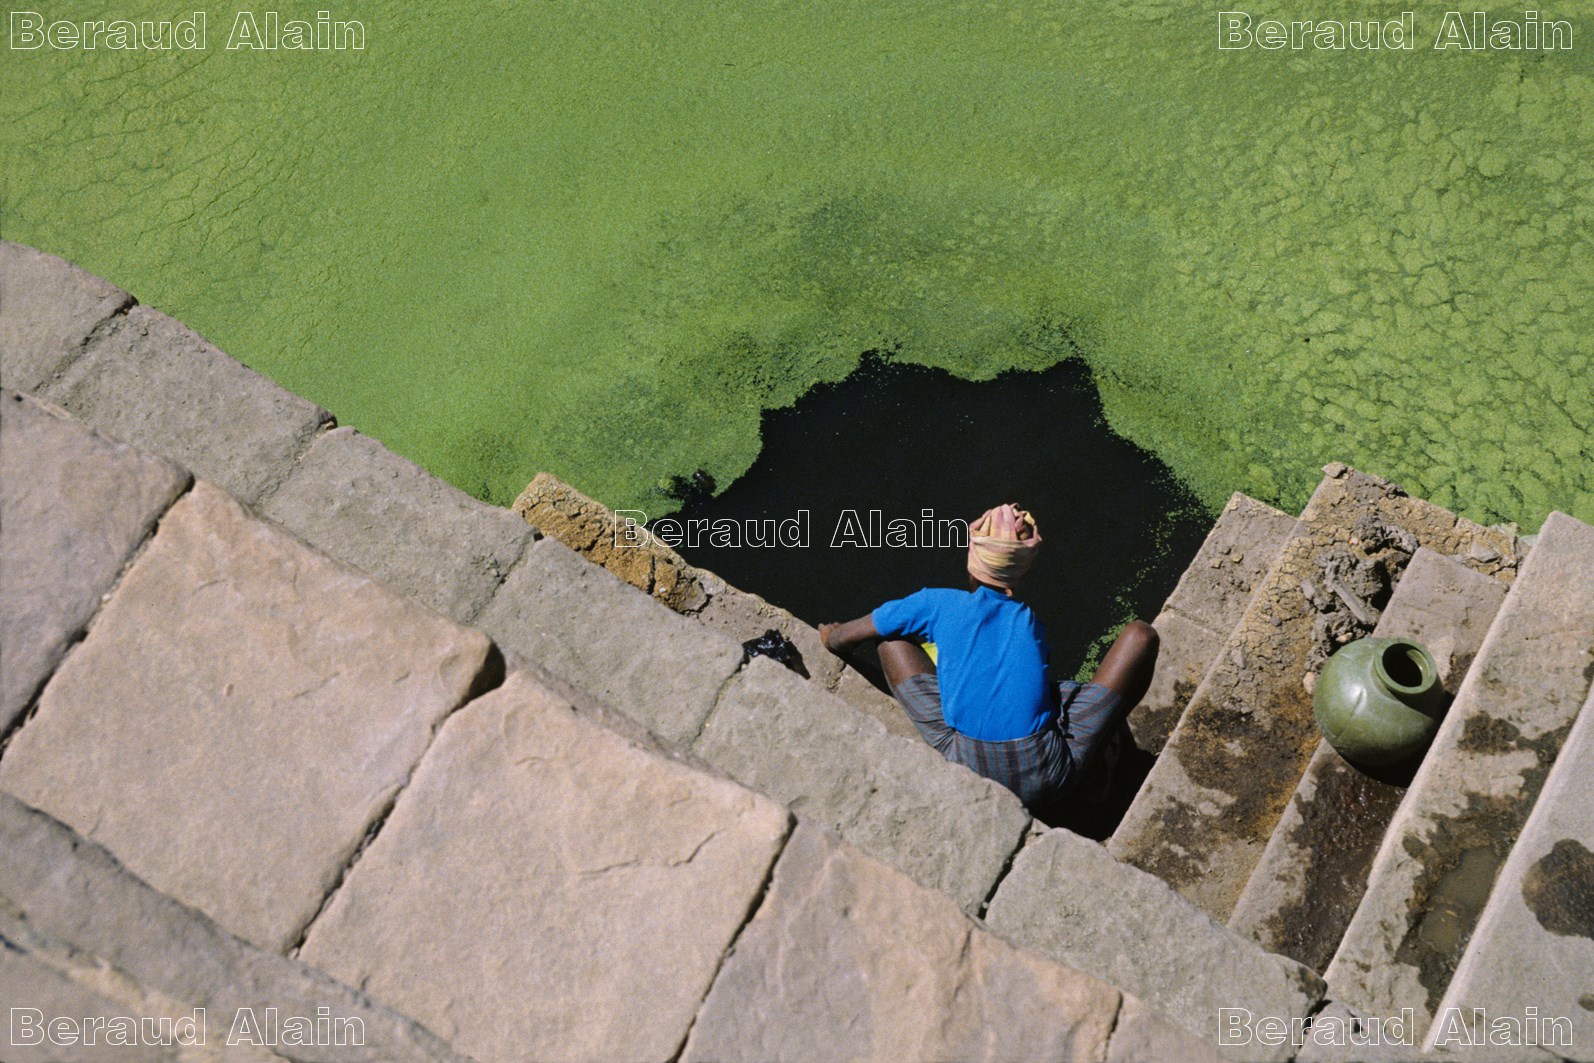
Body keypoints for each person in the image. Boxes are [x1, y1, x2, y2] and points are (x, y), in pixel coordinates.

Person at [819, 503, 1159, 809]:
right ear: (1022, 572)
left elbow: (846, 637)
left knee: (889, 637)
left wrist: (833, 638)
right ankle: (1096, 768)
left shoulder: (934, 603)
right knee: (1140, 637)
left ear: (971, 560)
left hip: (969, 766)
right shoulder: (1029, 623)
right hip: (1052, 773)